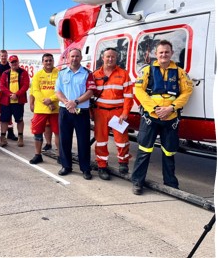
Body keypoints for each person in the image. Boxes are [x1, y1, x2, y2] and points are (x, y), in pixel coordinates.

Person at [131, 40, 193, 195]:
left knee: (169, 152)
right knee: (144, 150)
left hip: (171, 118)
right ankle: (137, 182)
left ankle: (170, 183)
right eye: (161, 52)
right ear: (156, 54)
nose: (164, 55)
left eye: (166, 52)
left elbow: (187, 92)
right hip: (151, 117)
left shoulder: (180, 72)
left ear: (171, 53)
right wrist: (154, 109)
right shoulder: (147, 71)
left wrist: (171, 107)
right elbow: (139, 91)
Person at [92, 48, 134, 180]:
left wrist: (125, 113)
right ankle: (102, 165)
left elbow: (128, 96)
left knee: (122, 140)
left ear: (117, 59)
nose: (110, 59)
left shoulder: (123, 74)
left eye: (113, 57)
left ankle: (123, 162)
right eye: (108, 57)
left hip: (117, 113)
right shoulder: (95, 75)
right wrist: (91, 113)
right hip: (100, 112)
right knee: (101, 140)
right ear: (102, 58)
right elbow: (90, 95)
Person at [55, 48, 96, 180]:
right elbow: (58, 91)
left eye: (77, 56)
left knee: (83, 141)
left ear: (81, 57)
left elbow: (90, 91)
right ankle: (66, 166)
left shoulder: (87, 73)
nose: (74, 59)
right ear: (68, 58)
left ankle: (85, 169)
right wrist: (67, 103)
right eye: (72, 56)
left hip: (81, 112)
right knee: (64, 140)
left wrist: (76, 102)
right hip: (65, 111)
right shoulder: (62, 73)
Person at [29, 53, 60, 164]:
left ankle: (60, 156)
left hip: (56, 109)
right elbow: (35, 91)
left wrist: (51, 100)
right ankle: (38, 155)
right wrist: (47, 103)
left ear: (53, 61)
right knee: (37, 133)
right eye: (46, 60)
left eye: (50, 60)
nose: (48, 62)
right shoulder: (37, 75)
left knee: (58, 132)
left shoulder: (59, 74)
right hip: (40, 109)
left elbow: (62, 90)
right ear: (42, 62)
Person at [0, 55, 30, 147]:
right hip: (6, 101)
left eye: (15, 62)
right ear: (9, 63)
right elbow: (2, 86)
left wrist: (17, 94)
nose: (14, 64)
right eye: (12, 62)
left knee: (19, 120)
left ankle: (20, 138)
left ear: (18, 62)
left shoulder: (23, 72)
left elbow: (26, 85)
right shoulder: (5, 73)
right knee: (4, 120)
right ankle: (3, 138)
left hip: (18, 101)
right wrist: (10, 94)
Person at [0, 49, 17, 141]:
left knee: (9, 115)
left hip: (8, 94)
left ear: (7, 56)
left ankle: (10, 133)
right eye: (2, 56)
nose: (4, 57)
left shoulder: (10, 66)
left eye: (5, 56)